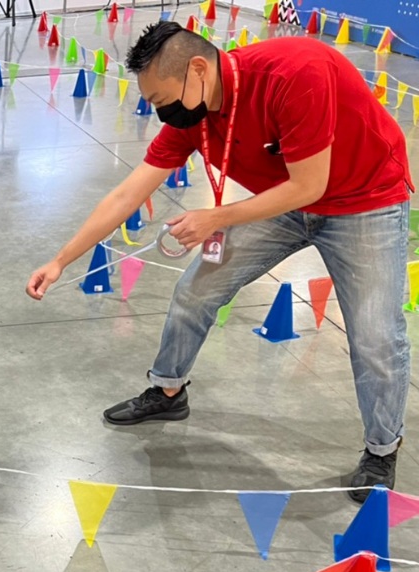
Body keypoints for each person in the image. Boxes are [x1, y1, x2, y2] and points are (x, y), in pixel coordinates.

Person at [27, 23, 412, 503]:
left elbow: (310, 185)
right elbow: (128, 193)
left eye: (162, 98)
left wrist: (216, 217)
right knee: (196, 291)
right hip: (282, 201)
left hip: (365, 199)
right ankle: (168, 391)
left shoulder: (294, 74)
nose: (160, 111)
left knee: (376, 337)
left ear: (198, 69)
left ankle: (381, 449)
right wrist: (61, 260)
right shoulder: (193, 112)